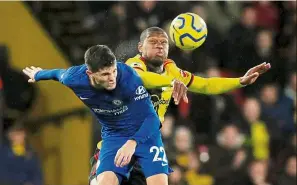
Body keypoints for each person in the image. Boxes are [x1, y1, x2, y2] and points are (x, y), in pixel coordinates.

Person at [89, 27, 271, 185]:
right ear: (140, 47)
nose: (159, 45)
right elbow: (141, 79)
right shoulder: (132, 65)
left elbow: (205, 84)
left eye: (164, 42)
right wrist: (171, 82)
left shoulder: (171, 69)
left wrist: (240, 81)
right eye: (153, 42)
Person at [22, 45, 189, 185]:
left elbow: (152, 118)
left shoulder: (127, 78)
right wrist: (38, 74)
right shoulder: (74, 78)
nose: (112, 78)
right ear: (90, 74)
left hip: (145, 135)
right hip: (115, 136)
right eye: (105, 74)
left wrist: (133, 143)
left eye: (114, 71)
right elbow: (58, 74)